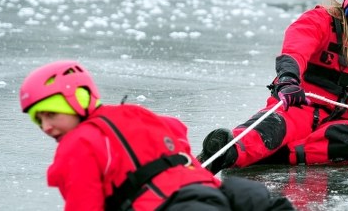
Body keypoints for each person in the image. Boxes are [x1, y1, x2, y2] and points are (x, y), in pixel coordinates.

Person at [198, 0, 348, 174]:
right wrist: (288, 81)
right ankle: (225, 151)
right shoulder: (320, 20)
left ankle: (277, 155)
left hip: (339, 122)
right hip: (299, 107)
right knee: (272, 128)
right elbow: (296, 49)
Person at [19, 60, 294, 211]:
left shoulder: (76, 144)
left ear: (77, 100)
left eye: (51, 114)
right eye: (38, 119)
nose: (45, 126)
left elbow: (84, 204)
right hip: (215, 193)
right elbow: (175, 129)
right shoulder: (134, 114)